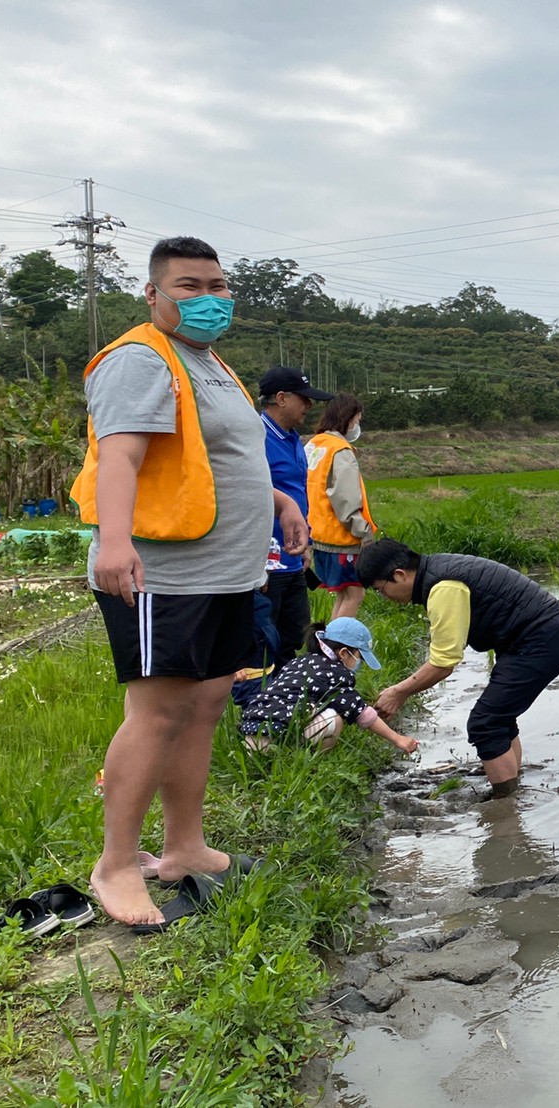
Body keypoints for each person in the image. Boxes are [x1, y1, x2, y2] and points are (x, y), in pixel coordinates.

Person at [70, 235, 308, 928]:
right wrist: (115, 542)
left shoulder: (207, 363)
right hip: (163, 574)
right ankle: (116, 864)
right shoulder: (140, 358)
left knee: (204, 708)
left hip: (227, 573)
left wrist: (279, 500)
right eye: (190, 286)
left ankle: (185, 847)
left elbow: (216, 457)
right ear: (154, 294)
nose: (209, 298)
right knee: (159, 713)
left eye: (217, 285)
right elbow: (120, 457)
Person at [357, 539, 559, 796]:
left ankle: (506, 806)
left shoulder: (443, 587)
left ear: (400, 575)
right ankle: (512, 787)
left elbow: (443, 663)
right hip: (537, 636)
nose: (383, 597)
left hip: (541, 640)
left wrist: (399, 691)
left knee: (485, 723)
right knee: (497, 717)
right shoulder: (437, 571)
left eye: (380, 589)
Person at [240, 617, 418, 755]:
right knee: (334, 717)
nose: (359, 664)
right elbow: (363, 714)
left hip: (252, 734)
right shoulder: (336, 674)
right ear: (344, 653)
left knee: (313, 707)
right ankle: (313, 763)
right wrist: (398, 739)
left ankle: (273, 758)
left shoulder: (300, 662)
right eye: (359, 657)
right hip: (275, 739)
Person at [258, 365, 332, 659]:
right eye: (303, 398)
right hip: (266, 559)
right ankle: (261, 700)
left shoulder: (293, 439)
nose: (309, 405)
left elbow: (300, 493)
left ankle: (288, 700)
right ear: (281, 398)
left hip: (293, 558)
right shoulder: (255, 438)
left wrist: (307, 542)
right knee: (264, 638)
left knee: (294, 634)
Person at [306, 393, 374, 619]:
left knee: (344, 595)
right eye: (357, 419)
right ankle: (337, 647)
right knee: (354, 594)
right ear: (348, 418)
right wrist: (363, 531)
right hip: (342, 537)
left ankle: (330, 646)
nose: (357, 425)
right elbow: (345, 498)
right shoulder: (340, 451)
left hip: (319, 535)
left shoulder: (314, 445)